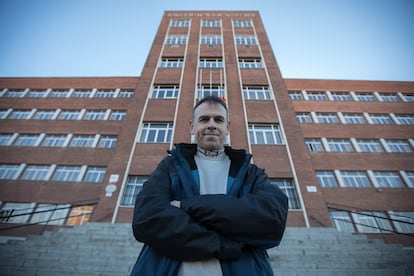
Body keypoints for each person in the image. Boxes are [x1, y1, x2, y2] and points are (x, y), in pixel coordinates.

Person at [131, 96, 288, 276]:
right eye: (204, 119)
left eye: (219, 120)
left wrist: (185, 206)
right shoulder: (170, 166)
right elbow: (146, 218)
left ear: (227, 127)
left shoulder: (250, 173)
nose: (211, 124)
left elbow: (272, 220)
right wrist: (223, 244)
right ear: (192, 126)